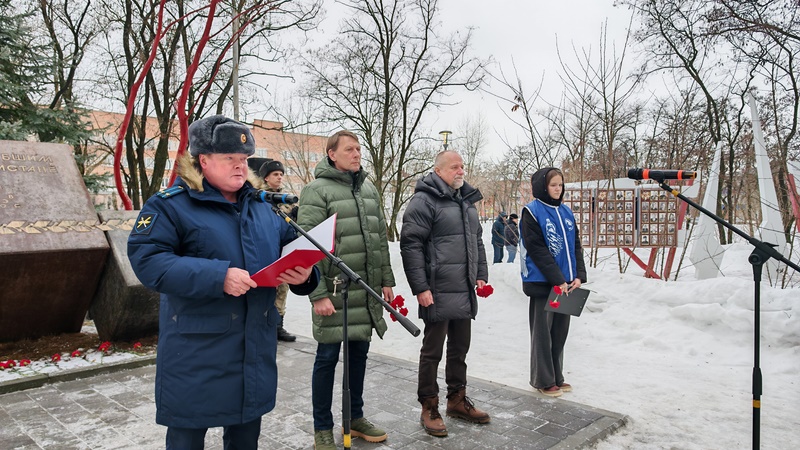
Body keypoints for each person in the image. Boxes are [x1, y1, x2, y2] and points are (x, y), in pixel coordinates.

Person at [127, 115, 319, 450]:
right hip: (197, 353)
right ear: (203, 160)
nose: (240, 166)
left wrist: (304, 275)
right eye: (229, 157)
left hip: (252, 350)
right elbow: (148, 260)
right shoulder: (172, 205)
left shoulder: (263, 207)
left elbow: (292, 249)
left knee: (245, 439)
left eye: (244, 158)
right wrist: (218, 276)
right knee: (187, 440)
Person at [297, 130, 396, 450]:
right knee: (326, 359)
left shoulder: (368, 188)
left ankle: (355, 417)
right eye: (349, 149)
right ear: (332, 154)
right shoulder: (316, 191)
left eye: (358, 149)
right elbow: (308, 246)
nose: (356, 154)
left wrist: (386, 280)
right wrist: (317, 294)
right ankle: (322, 428)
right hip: (333, 292)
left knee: (358, 357)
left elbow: (379, 240)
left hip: (363, 290)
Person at [400, 150, 490, 437]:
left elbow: (477, 240)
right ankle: (429, 406)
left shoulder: (467, 201)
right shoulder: (424, 201)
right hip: (437, 290)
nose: (460, 171)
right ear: (438, 171)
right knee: (432, 352)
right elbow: (411, 245)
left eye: (462, 166)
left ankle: (457, 400)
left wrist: (481, 274)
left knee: (460, 348)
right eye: (454, 167)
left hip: (463, 288)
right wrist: (421, 287)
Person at [519, 167, 587, 398]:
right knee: (543, 334)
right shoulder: (532, 212)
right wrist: (557, 279)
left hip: (567, 284)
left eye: (560, 184)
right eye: (553, 185)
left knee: (559, 333)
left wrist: (578, 275)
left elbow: (576, 245)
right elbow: (537, 250)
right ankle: (543, 379)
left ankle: (557, 376)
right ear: (542, 187)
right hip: (543, 283)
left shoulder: (566, 212)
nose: (558, 189)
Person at [256, 159, 297, 342]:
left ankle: (278, 325)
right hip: (265, 251)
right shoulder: (258, 198)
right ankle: (263, 324)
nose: (279, 177)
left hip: (283, 251)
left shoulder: (287, 201)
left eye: (281, 174)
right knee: (264, 290)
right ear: (266, 177)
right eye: (275, 174)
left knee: (282, 288)